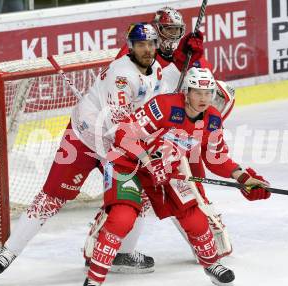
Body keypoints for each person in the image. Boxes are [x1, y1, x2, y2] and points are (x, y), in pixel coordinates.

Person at [0, 22, 203, 276]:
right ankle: (9, 251)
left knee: (139, 198)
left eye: (150, 44)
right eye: (140, 44)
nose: (146, 49)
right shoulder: (122, 76)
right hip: (87, 139)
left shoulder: (154, 69)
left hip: (119, 144)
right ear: (130, 47)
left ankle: (122, 255)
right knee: (53, 196)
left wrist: (183, 60)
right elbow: (120, 127)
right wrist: (148, 158)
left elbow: (166, 93)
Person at [83, 67, 271, 286]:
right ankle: (95, 279)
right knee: (122, 218)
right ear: (186, 92)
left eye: (208, 93)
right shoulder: (164, 106)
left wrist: (244, 178)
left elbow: (217, 158)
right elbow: (124, 134)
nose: (204, 98)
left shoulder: (212, 119)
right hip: (127, 164)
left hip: (166, 169)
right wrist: (147, 160)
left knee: (194, 217)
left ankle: (211, 265)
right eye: (198, 92)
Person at [83, 7, 236, 273]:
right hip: (138, 137)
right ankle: (99, 244)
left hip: (177, 137)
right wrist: (174, 60)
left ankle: (204, 237)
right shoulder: (134, 58)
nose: (170, 37)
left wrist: (195, 60)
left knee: (189, 192)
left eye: (176, 31)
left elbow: (201, 88)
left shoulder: (182, 59)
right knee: (132, 198)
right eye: (164, 31)